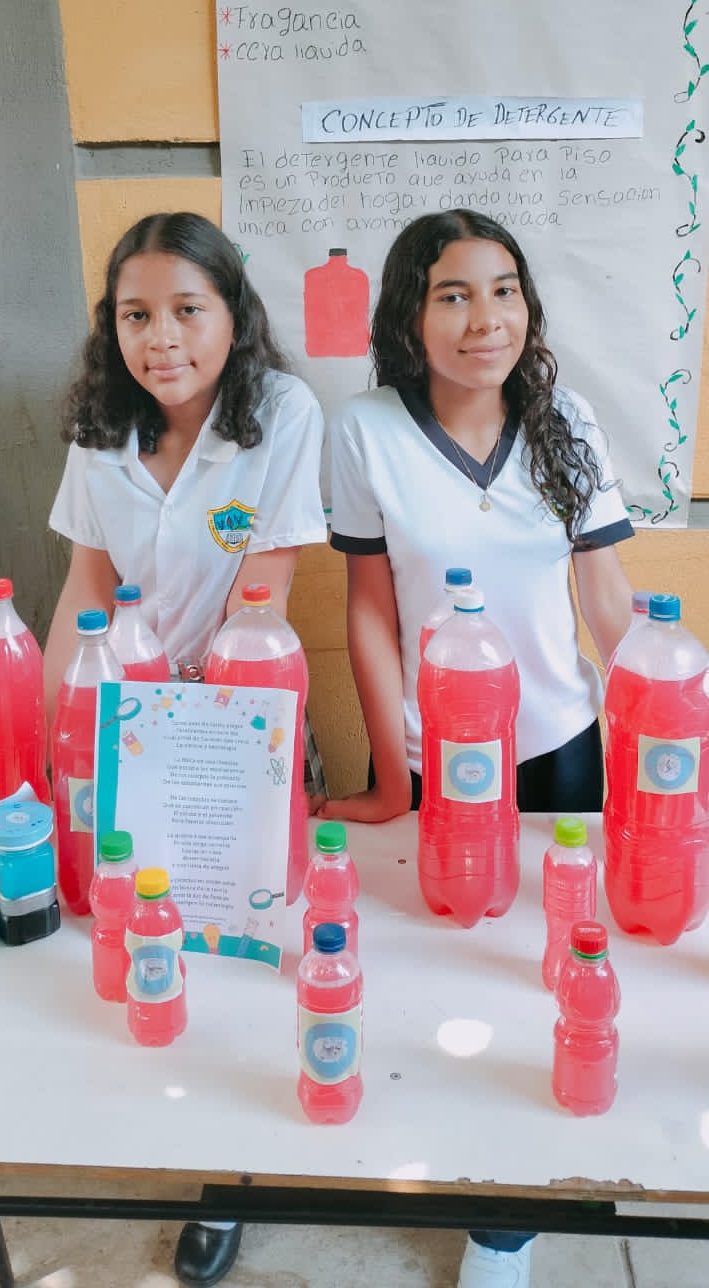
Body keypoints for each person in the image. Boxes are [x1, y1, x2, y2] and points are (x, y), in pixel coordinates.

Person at [324, 208, 634, 1288]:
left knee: (545, 978)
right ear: (409, 315)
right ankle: (448, 1158)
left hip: (560, 748)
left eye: (503, 291)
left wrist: (672, 726)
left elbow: (606, 600)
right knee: (438, 974)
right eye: (452, 294)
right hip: (438, 757)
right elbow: (370, 608)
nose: (484, 318)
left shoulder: (564, 419)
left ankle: (505, 1229)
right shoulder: (365, 428)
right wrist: (387, 773)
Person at [45, 210, 327, 1288]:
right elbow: (81, 594)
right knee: (123, 950)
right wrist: (51, 740)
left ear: (233, 316)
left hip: (237, 730)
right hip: (118, 731)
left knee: (241, 955)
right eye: (135, 315)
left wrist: (178, 746)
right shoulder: (98, 428)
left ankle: (228, 1181)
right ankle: (153, 1126)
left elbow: (264, 601)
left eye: (186, 310)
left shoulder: (281, 414)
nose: (160, 338)